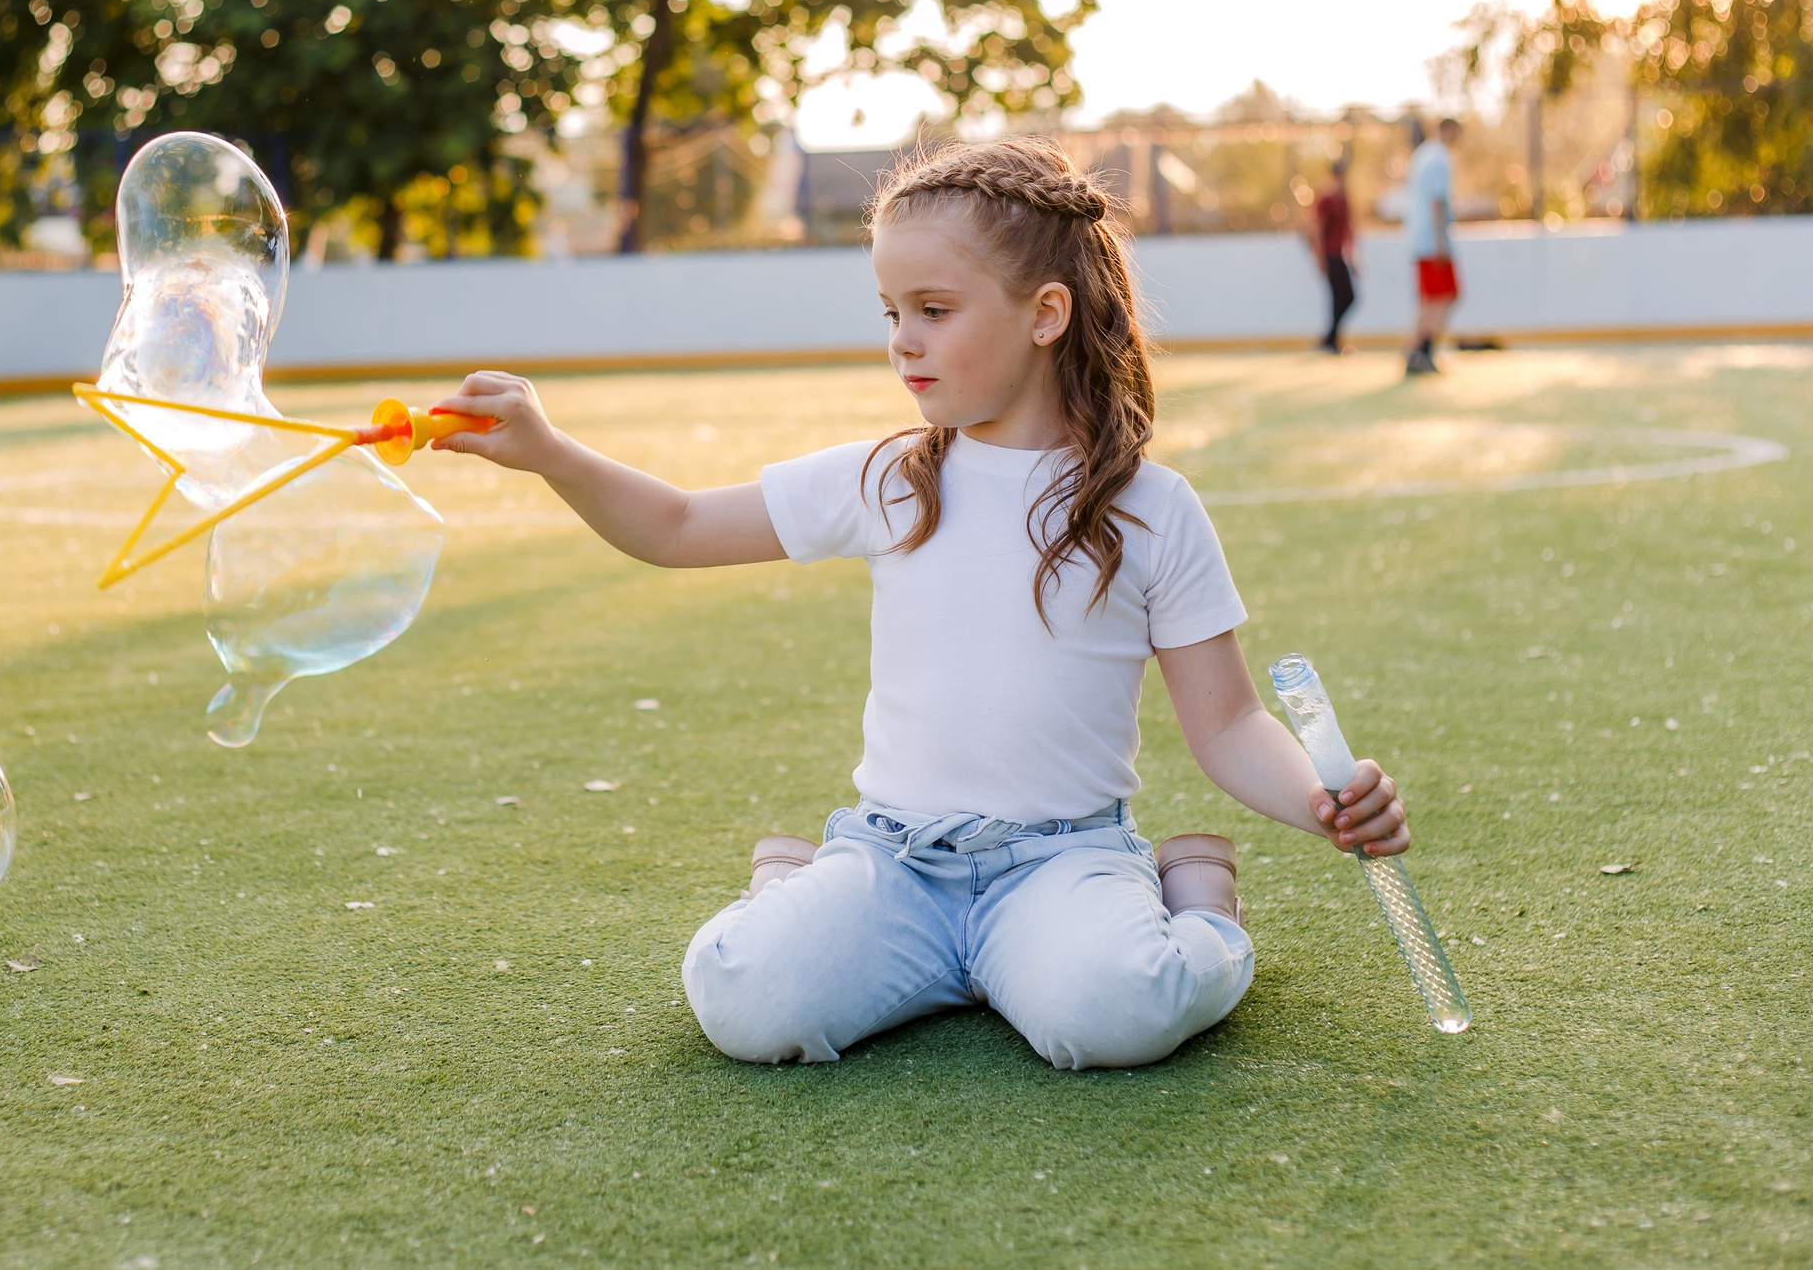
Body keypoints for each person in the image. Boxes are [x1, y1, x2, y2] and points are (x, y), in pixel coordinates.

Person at [432, 139, 1410, 1071]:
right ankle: (793, 886)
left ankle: (1199, 905)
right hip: (893, 865)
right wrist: (550, 451)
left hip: (1058, 865)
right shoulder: (888, 480)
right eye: (890, 312)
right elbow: (678, 527)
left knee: (1121, 1011)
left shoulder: (1151, 509)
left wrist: (1317, 800)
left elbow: (1229, 722)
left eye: (933, 308)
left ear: (1045, 313)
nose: (902, 341)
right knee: (741, 997)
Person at [1405, 117, 1462, 375]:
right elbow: (1436, 201)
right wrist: (1440, 242)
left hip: (1420, 238)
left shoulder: (1421, 155)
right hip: (1433, 240)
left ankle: (1417, 350)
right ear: (1448, 130)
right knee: (1445, 294)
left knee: (1432, 297)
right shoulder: (1439, 158)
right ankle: (1420, 349)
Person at [1304, 157, 1356, 353]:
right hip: (1329, 254)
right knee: (1338, 297)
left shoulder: (1343, 197)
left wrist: (1352, 256)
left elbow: (1349, 229)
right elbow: (1316, 229)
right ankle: (1330, 340)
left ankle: (1330, 338)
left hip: (1340, 254)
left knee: (1347, 297)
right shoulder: (1326, 198)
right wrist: (1319, 258)